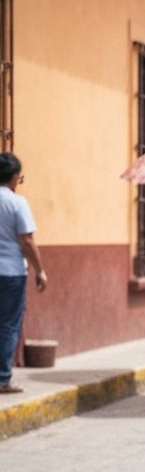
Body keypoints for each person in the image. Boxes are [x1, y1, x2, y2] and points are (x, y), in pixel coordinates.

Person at [0, 153, 47, 394]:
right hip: (11, 272)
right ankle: (2, 379)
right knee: (8, 326)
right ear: (15, 177)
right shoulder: (17, 203)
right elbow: (27, 240)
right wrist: (40, 270)